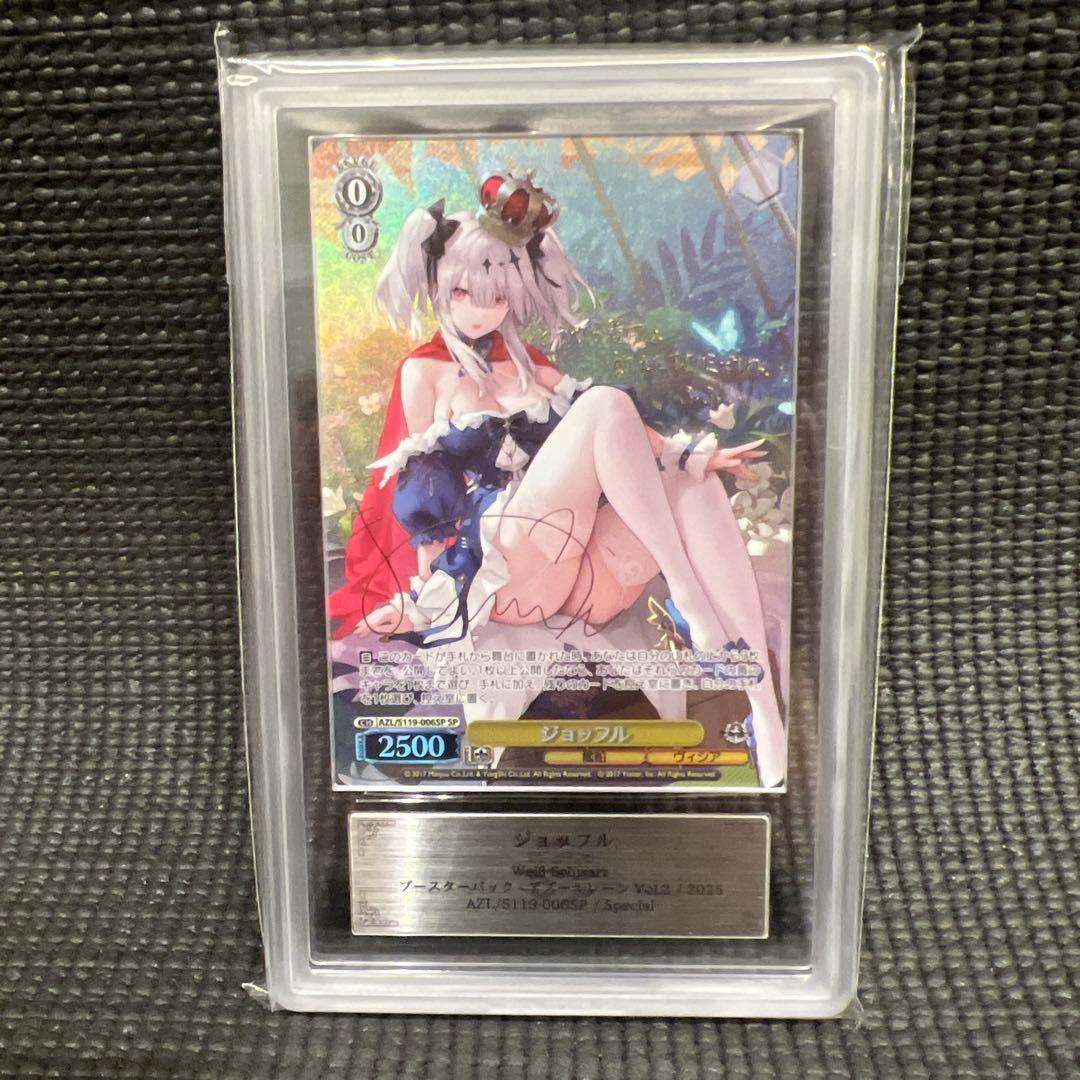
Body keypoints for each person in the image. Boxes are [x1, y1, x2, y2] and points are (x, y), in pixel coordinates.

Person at [328, 174, 787, 785]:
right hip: (505, 570)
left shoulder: (532, 366)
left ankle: (765, 715)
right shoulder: (425, 372)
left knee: (693, 483)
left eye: (497, 296)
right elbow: (421, 492)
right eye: (465, 292)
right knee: (604, 403)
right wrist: (425, 598)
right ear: (438, 285)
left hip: (573, 570)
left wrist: (690, 458)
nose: (482, 310)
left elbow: (622, 435)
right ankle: (688, 597)